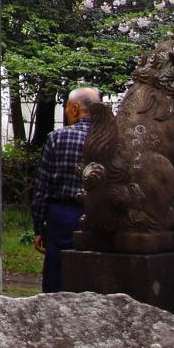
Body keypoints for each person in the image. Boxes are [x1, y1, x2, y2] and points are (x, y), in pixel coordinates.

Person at [30, 86, 100, 293]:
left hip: (62, 215)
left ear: (76, 109)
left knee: (56, 275)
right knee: (91, 273)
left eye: (68, 108)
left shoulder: (57, 138)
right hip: (97, 216)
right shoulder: (109, 141)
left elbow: (42, 187)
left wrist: (38, 228)